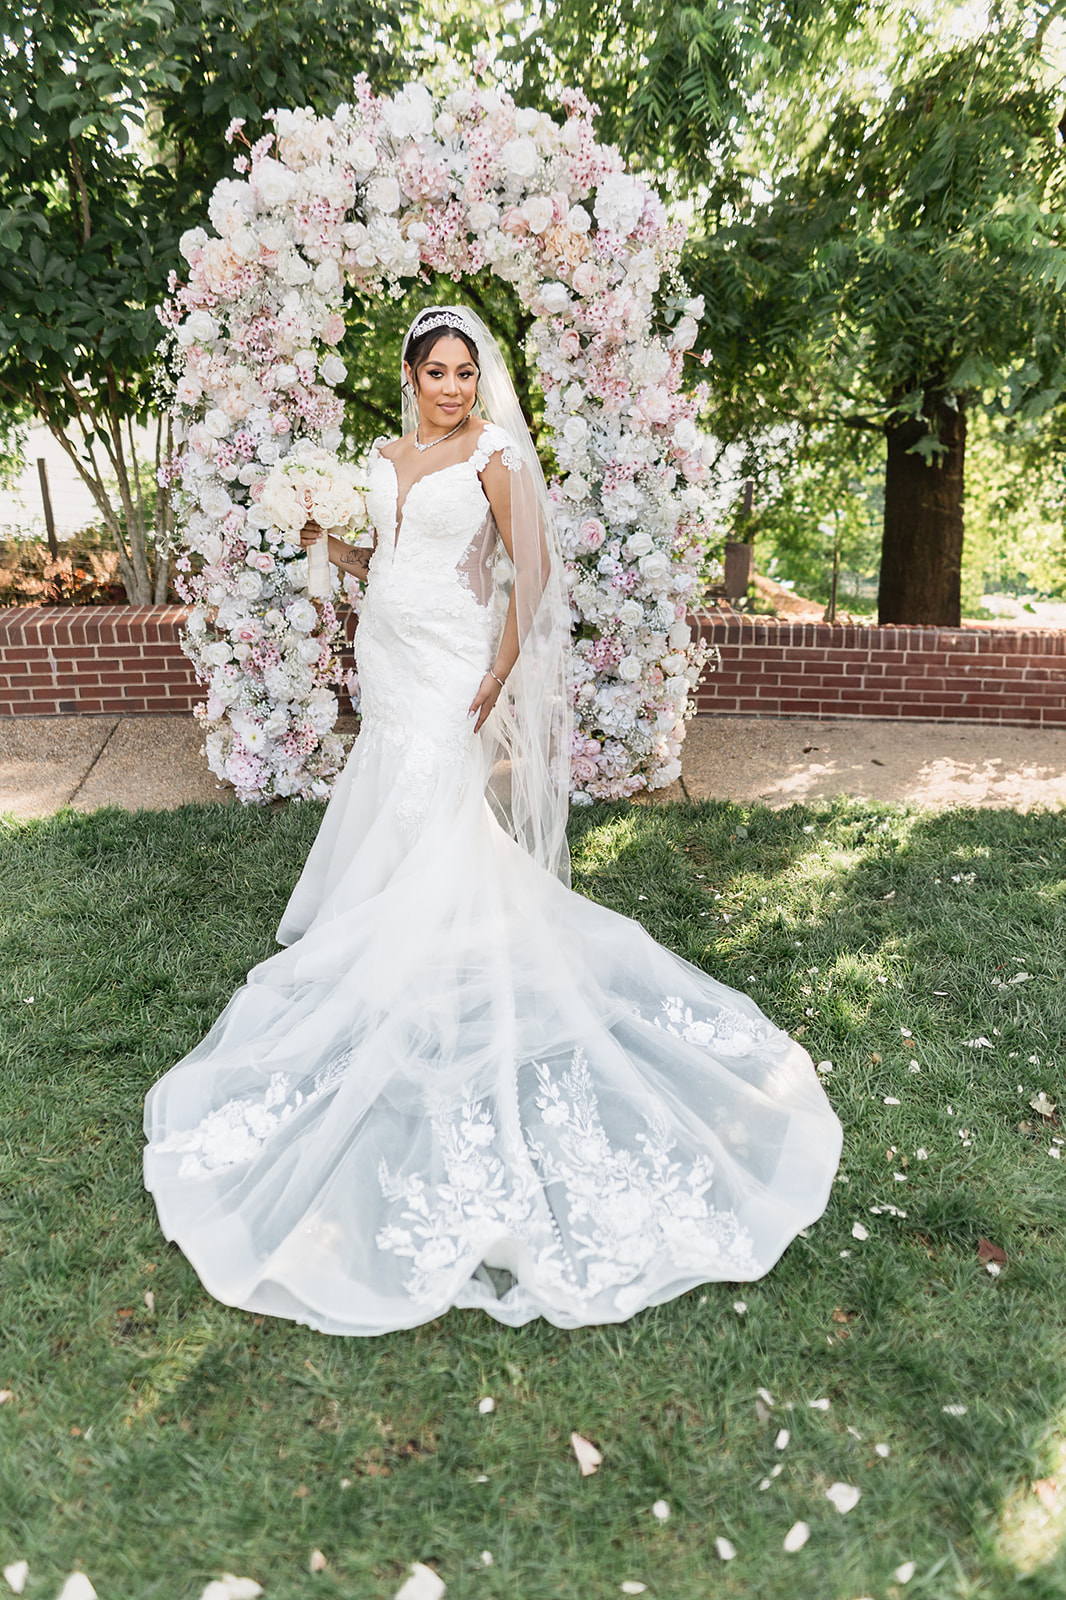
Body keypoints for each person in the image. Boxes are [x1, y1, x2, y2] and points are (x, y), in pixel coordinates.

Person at [144, 306, 842, 1336]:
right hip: (388, 652)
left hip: (454, 662)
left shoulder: (498, 454)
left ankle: (423, 955)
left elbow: (535, 569)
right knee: (393, 789)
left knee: (438, 802)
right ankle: (401, 936)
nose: (454, 386)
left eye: (466, 371)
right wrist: (321, 538)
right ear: (411, 374)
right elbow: (376, 561)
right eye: (438, 370)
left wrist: (501, 662)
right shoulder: (381, 455)